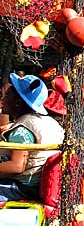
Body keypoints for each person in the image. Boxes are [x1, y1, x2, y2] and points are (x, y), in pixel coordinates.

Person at [0, 73, 65, 201]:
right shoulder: (47, 122)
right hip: (33, 185)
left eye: (7, 96)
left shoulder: (23, 128)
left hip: (22, 188)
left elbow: (17, 166)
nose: (3, 100)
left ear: (17, 102)